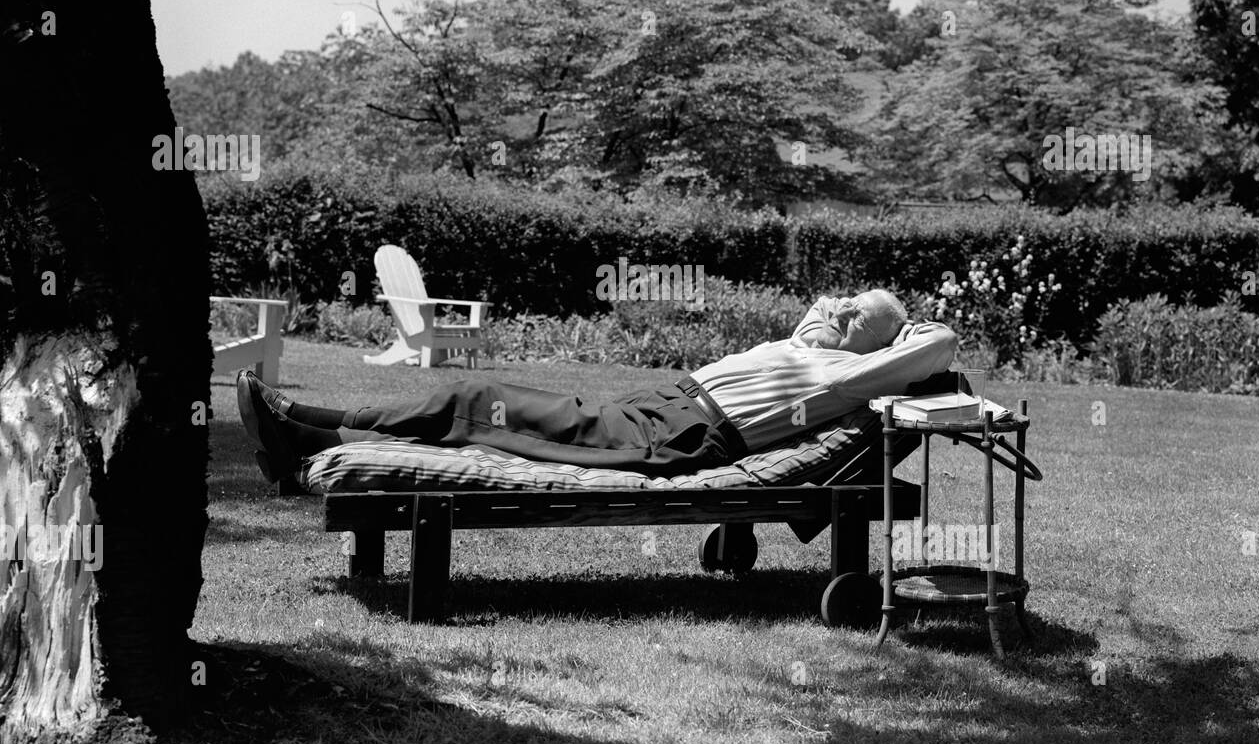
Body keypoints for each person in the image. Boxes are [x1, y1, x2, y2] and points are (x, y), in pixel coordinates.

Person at [236, 288, 958, 483]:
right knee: (480, 412)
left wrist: (906, 331)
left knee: (471, 403)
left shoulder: (849, 376)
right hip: (657, 406)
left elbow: (942, 344)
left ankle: (303, 422)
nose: (836, 306)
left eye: (856, 309)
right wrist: (852, 316)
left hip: (675, 435)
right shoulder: (813, 346)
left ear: (885, 342)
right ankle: (305, 438)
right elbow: (816, 321)